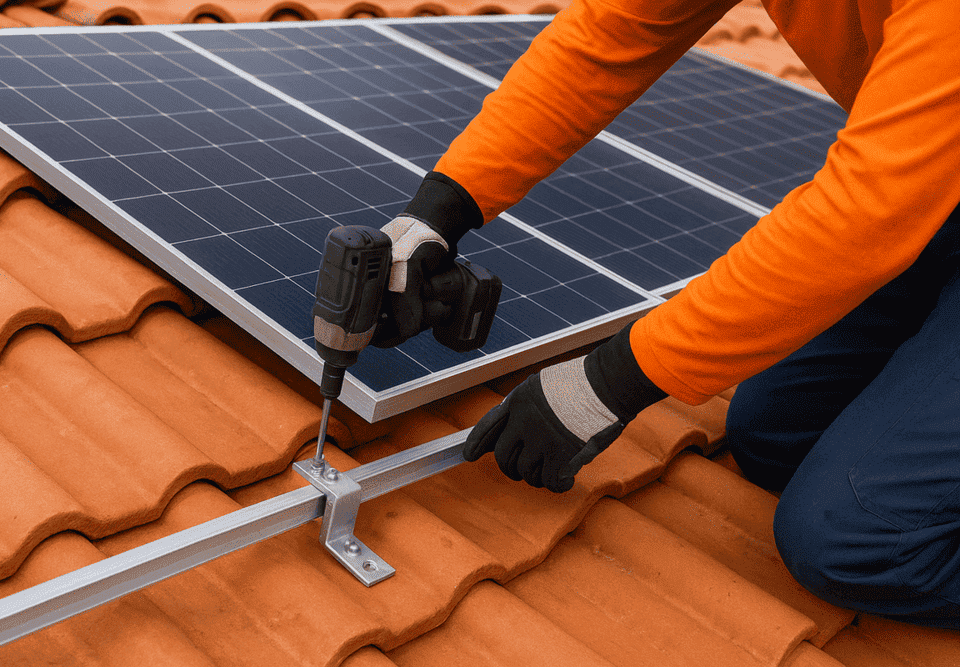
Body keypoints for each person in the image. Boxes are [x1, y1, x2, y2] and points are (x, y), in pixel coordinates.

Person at [372, 0, 960, 628]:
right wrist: (438, 213)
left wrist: (609, 383)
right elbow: (611, 34)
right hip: (940, 188)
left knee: (852, 540)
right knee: (769, 435)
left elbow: (866, 212)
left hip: (912, 189)